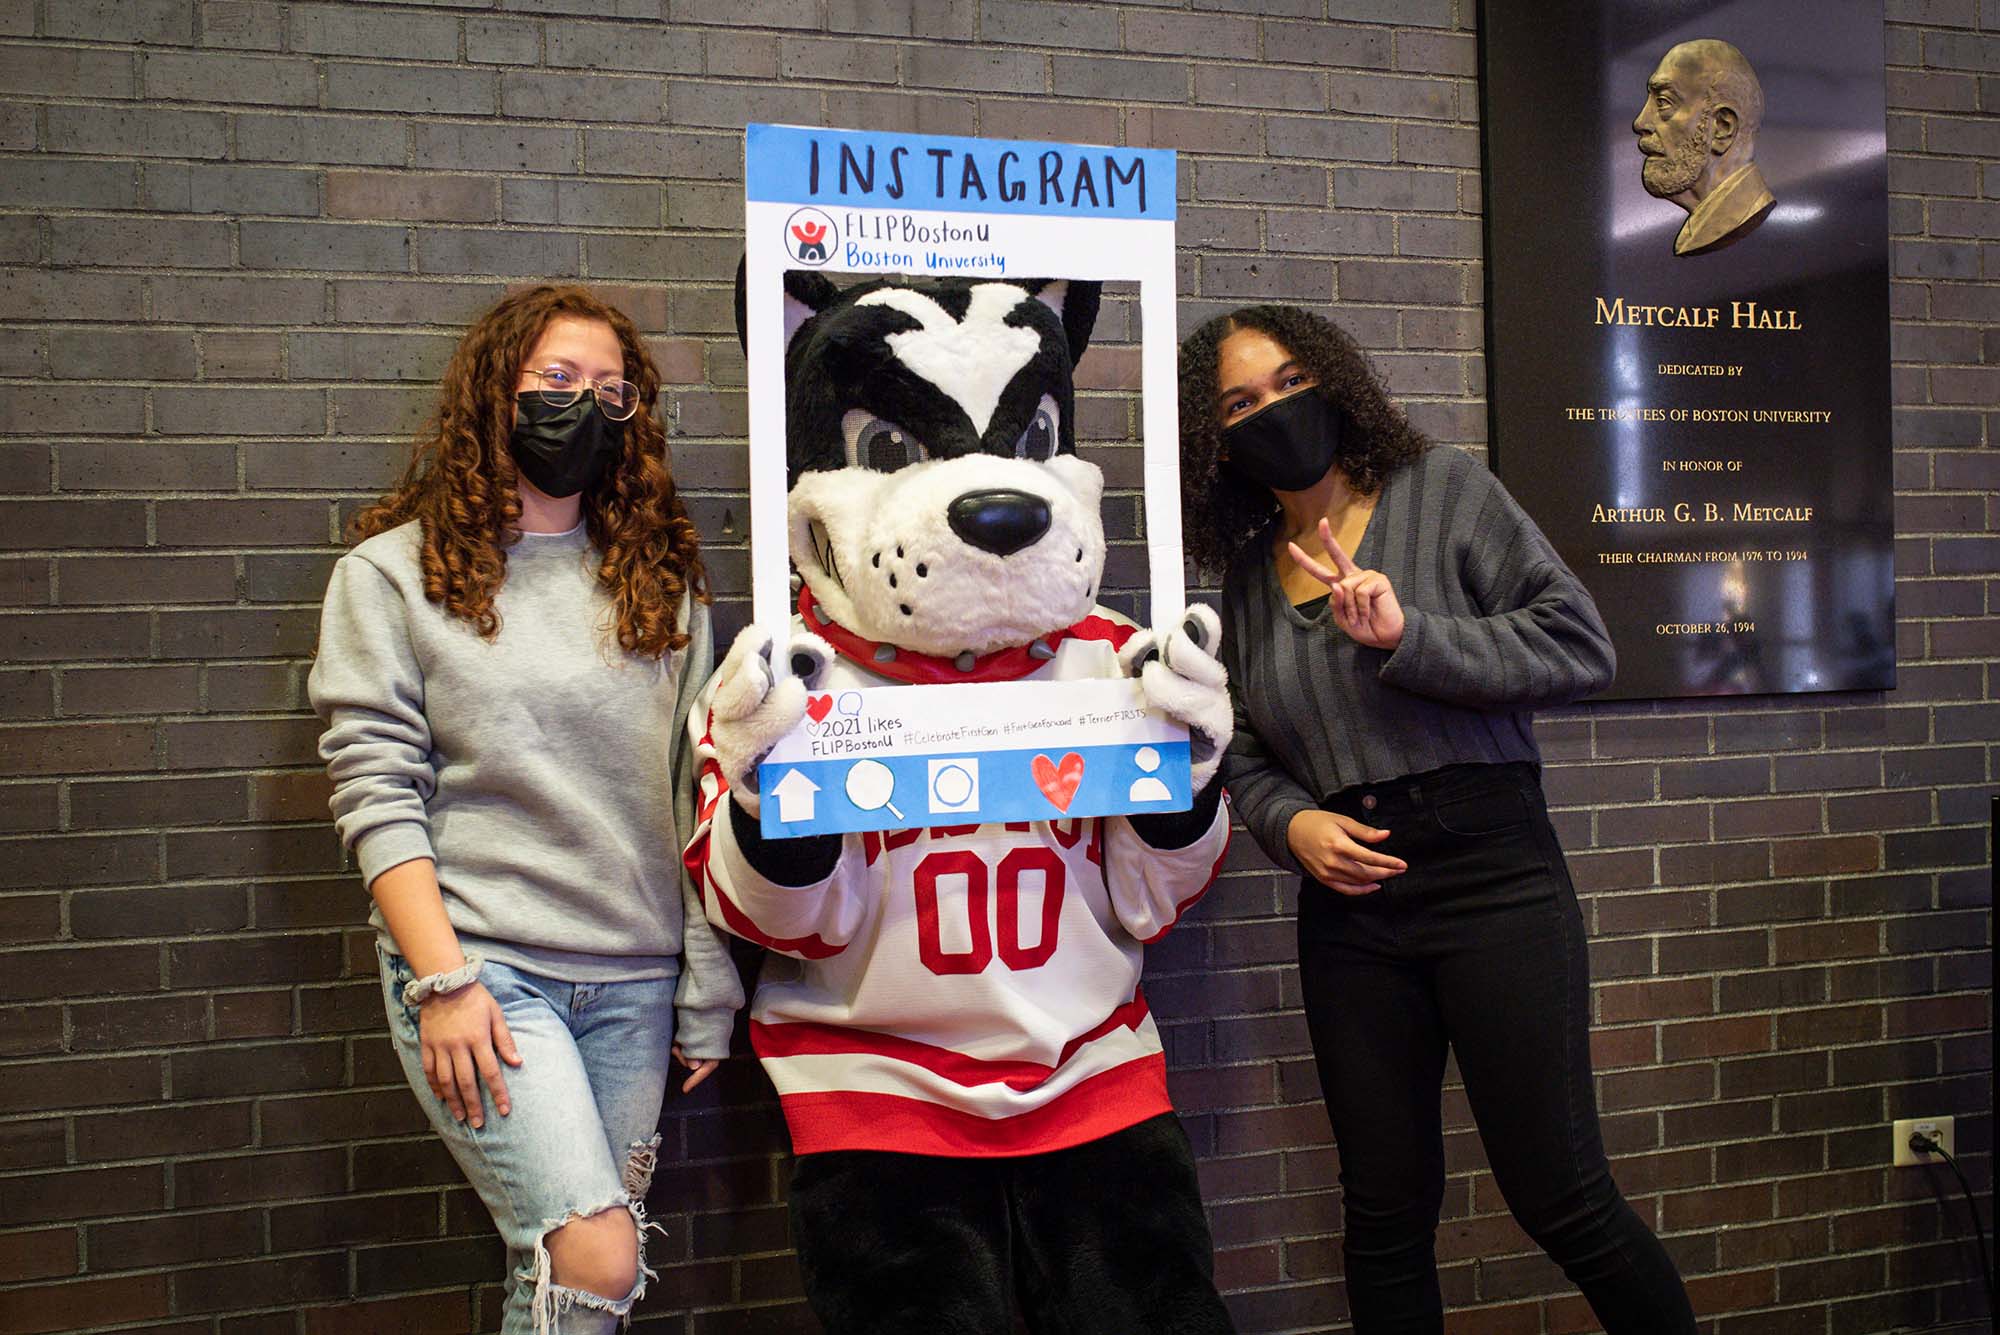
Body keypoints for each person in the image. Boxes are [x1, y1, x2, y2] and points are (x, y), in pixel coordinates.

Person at [1179, 304, 1697, 1335]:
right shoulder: (1243, 582)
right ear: (1218, 442)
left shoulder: (1442, 490)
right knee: (1383, 1213)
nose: (1273, 409)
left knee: (1560, 1194)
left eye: (1290, 382)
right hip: (1351, 907)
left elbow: (1578, 647)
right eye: (1240, 403)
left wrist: (1409, 634)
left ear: (1334, 382)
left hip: (1489, 871)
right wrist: (1290, 827)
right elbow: (1239, 747)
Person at [308, 285, 742, 1335]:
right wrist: (443, 982)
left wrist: (708, 983)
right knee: (594, 1250)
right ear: (493, 393)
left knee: (578, 1279)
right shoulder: (389, 576)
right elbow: (375, 789)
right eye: (557, 378)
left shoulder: (662, 583)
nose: (584, 403)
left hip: (633, 981)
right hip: (485, 970)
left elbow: (696, 792)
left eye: (611, 388)